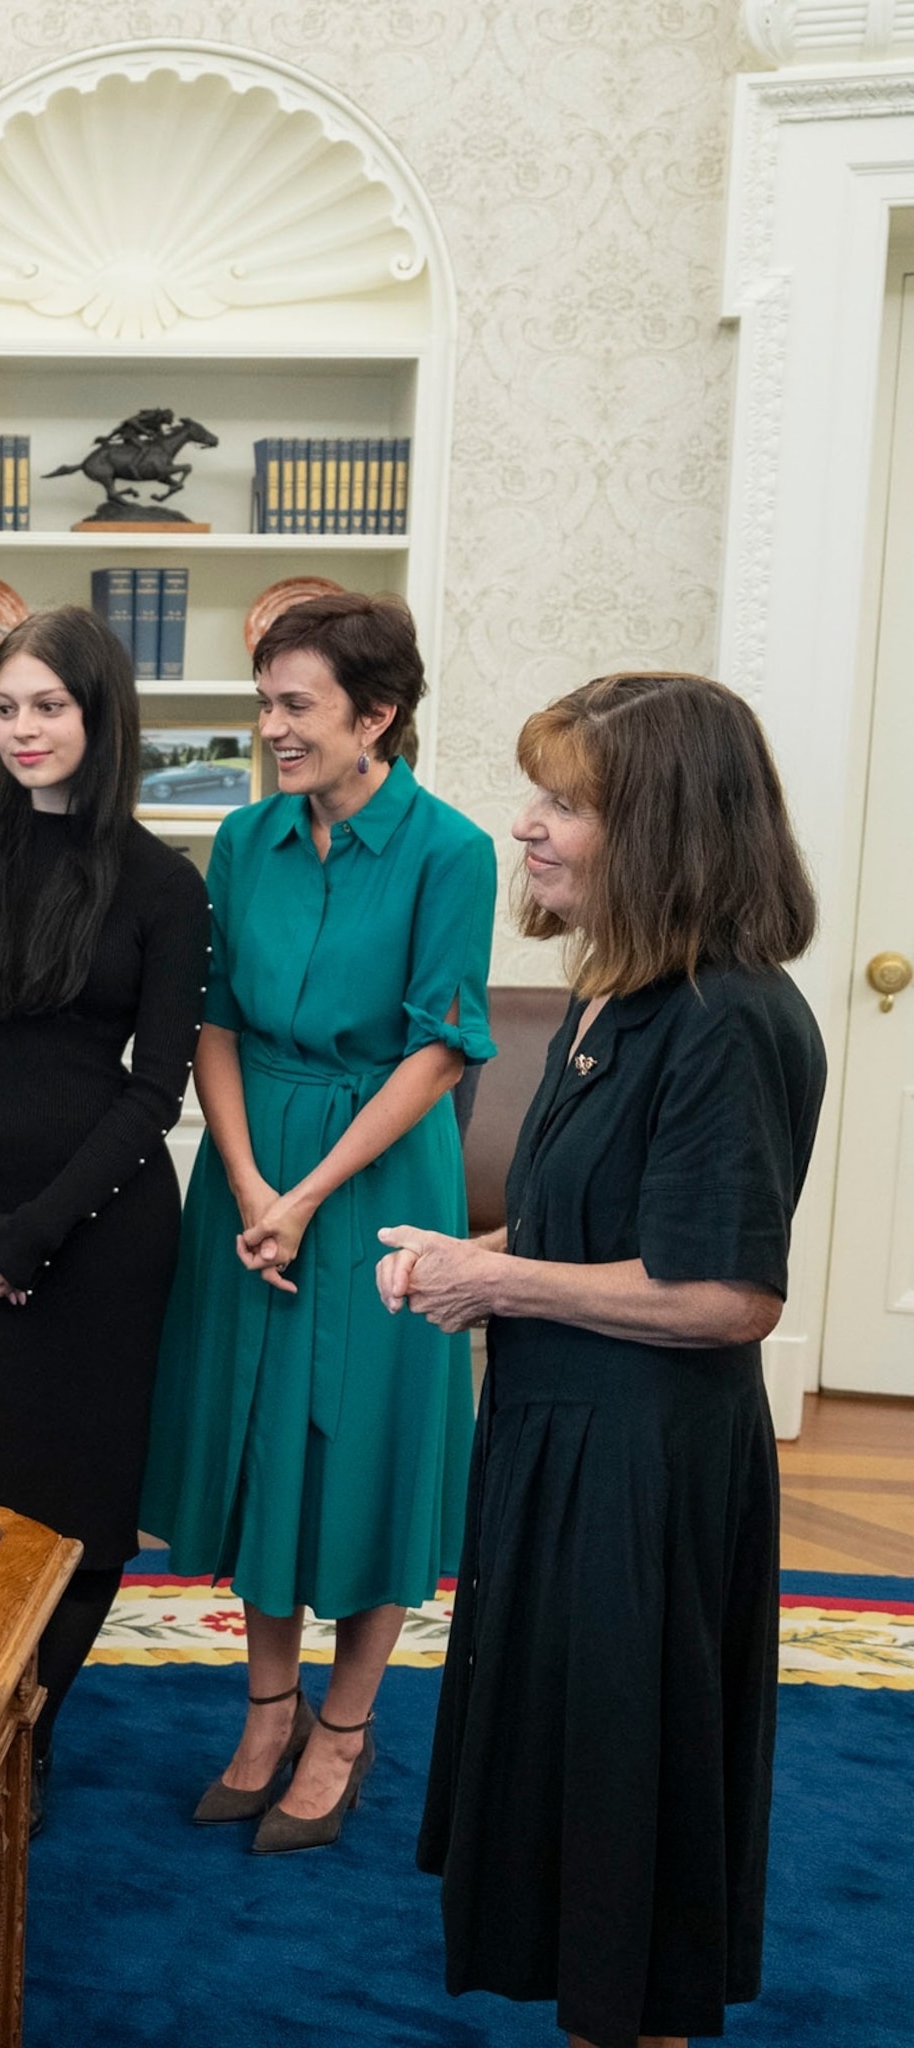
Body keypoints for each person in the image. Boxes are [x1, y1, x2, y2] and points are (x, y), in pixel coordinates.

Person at [388, 673, 825, 2048]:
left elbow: (726, 1296)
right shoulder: (614, 1001)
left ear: (666, 832)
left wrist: (495, 1273)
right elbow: (598, 1224)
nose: (527, 827)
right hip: (557, 1443)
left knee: (626, 1829)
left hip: (642, 1471)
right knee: (573, 1808)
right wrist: (479, 1269)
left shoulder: (727, 1021)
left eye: (565, 803)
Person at [137, 590, 497, 1853]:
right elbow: (216, 1020)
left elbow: (443, 1048)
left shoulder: (452, 850)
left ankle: (344, 1726)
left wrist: (305, 1193)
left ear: (376, 715)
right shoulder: (242, 840)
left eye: (297, 705)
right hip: (249, 1173)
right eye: (264, 701)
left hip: (382, 1177)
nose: (271, 727)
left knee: (367, 1449)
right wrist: (242, 1179)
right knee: (261, 1447)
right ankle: (264, 1704)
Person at [0, 607, 209, 1813]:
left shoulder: (167, 883)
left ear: (98, 715)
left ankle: (32, 1726)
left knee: (79, 1502)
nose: (22, 729)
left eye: (48, 706)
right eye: (5, 707)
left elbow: (154, 1088)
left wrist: (33, 1231)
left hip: (101, 1232)